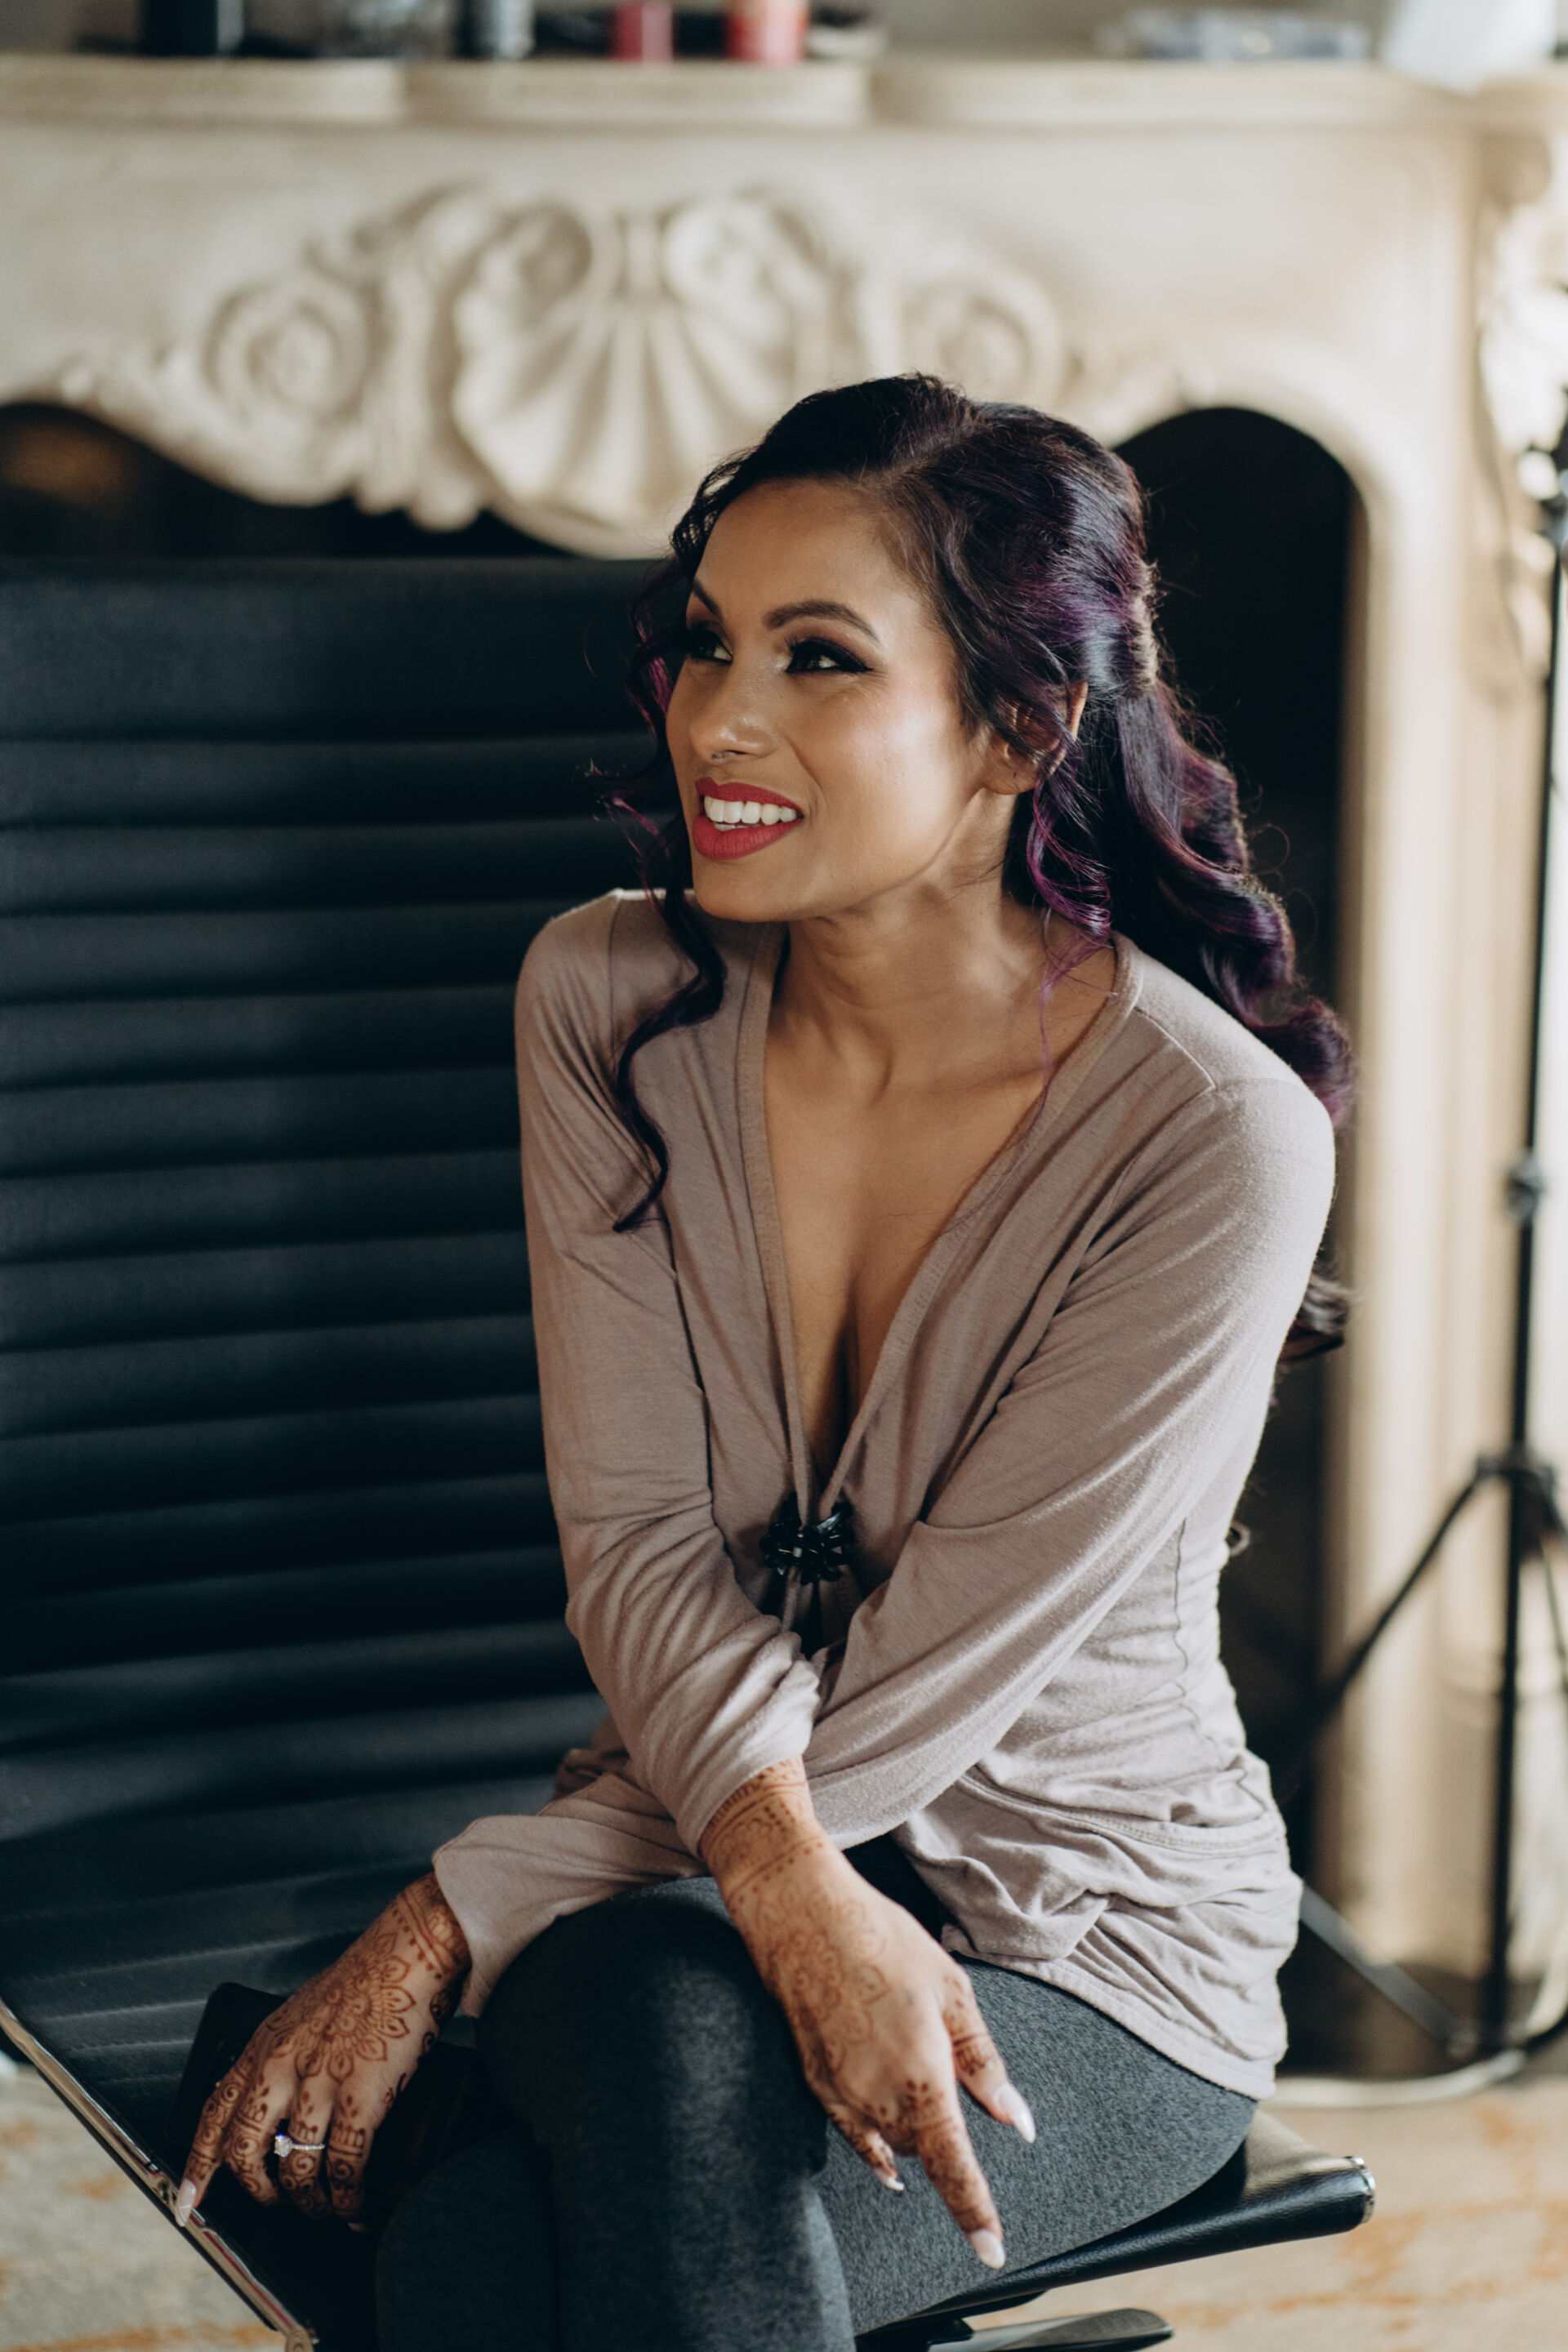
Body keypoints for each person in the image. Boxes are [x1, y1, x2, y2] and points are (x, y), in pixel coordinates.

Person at [176, 376, 1352, 2352]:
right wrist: (788, 1891)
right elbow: (638, 1543)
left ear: (1022, 730)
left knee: (484, 2258)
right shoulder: (606, 996)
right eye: (710, 641)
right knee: (631, 2023)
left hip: (1093, 1947)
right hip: (697, 1878)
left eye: (821, 658)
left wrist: (461, 1908)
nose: (717, 720)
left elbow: (928, 1679)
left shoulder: (1214, 1138)